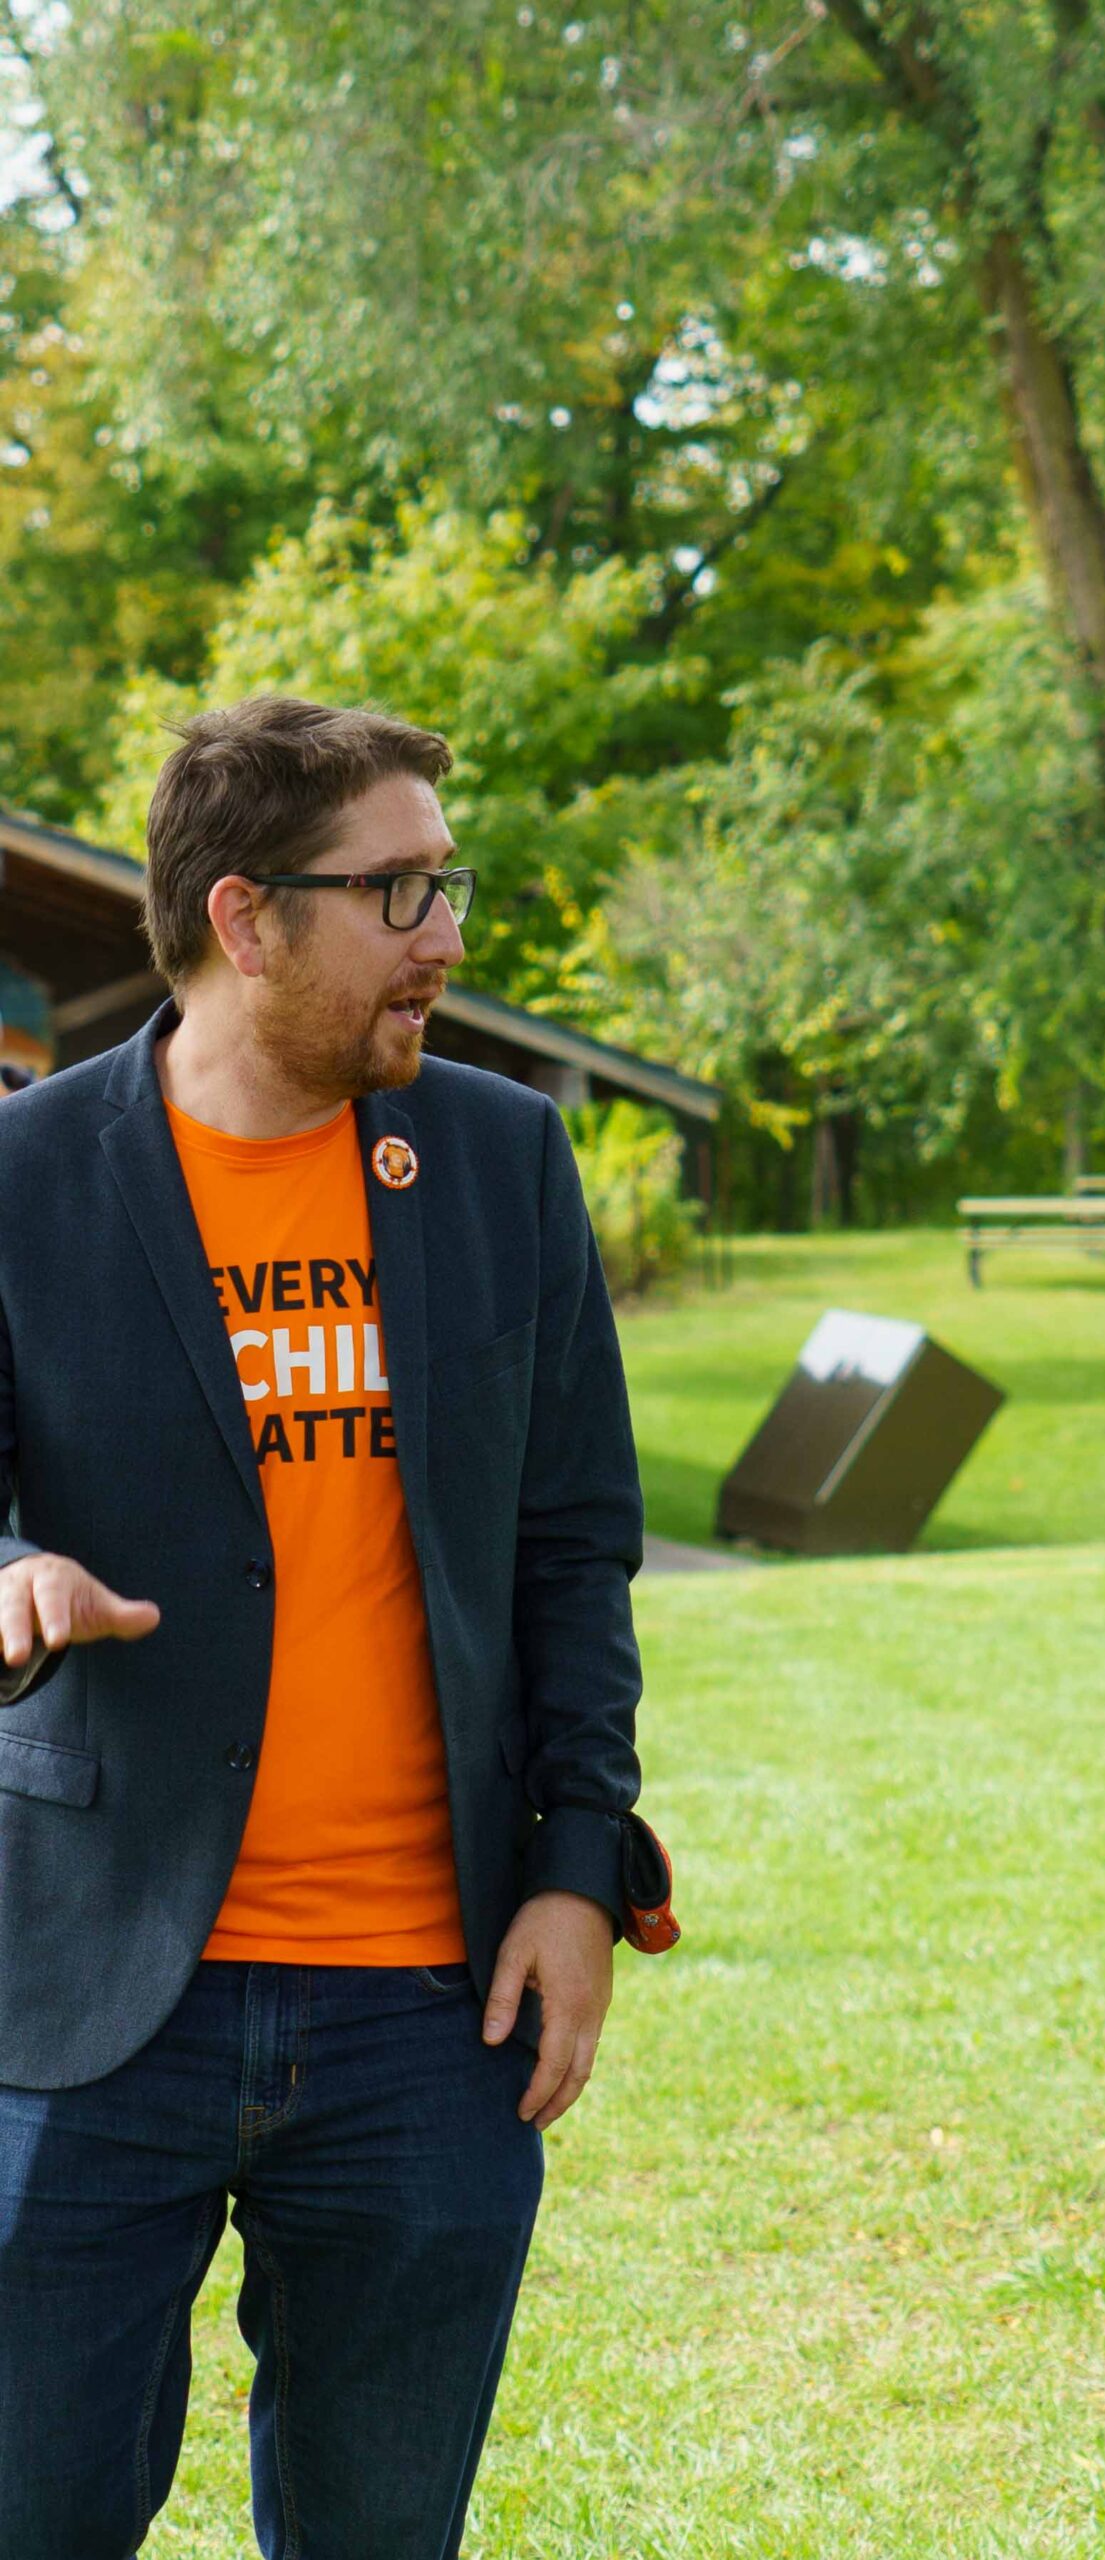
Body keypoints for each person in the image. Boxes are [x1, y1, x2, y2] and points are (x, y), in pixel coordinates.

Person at [0, 696, 668, 2558]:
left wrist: (577, 1869)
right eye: (397, 891)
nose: (444, 934)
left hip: (426, 2016)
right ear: (244, 917)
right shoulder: (26, 1179)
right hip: (83, 1996)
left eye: (447, 882)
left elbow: (572, 1548)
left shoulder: (501, 1162)